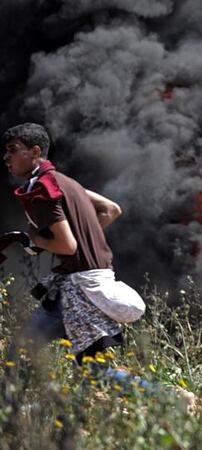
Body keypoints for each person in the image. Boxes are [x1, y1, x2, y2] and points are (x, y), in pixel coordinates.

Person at [2, 122, 133, 363]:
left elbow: (67, 246)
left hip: (80, 289)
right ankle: (16, 401)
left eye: (13, 149)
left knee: (22, 352)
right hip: (81, 284)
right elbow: (111, 209)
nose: (6, 157)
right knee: (86, 366)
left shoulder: (43, 188)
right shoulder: (65, 182)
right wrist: (77, 237)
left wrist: (37, 239)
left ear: (35, 152)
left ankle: (168, 397)